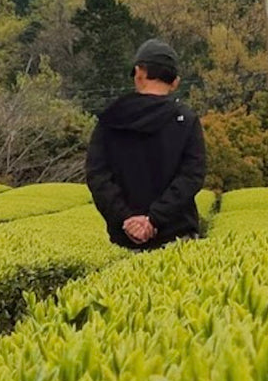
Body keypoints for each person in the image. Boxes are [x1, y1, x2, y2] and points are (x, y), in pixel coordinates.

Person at [85, 39, 206, 250]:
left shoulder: (112, 118)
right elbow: (192, 175)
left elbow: (98, 176)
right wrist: (155, 219)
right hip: (178, 237)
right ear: (175, 82)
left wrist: (127, 219)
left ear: (139, 73)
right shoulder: (186, 119)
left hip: (123, 240)